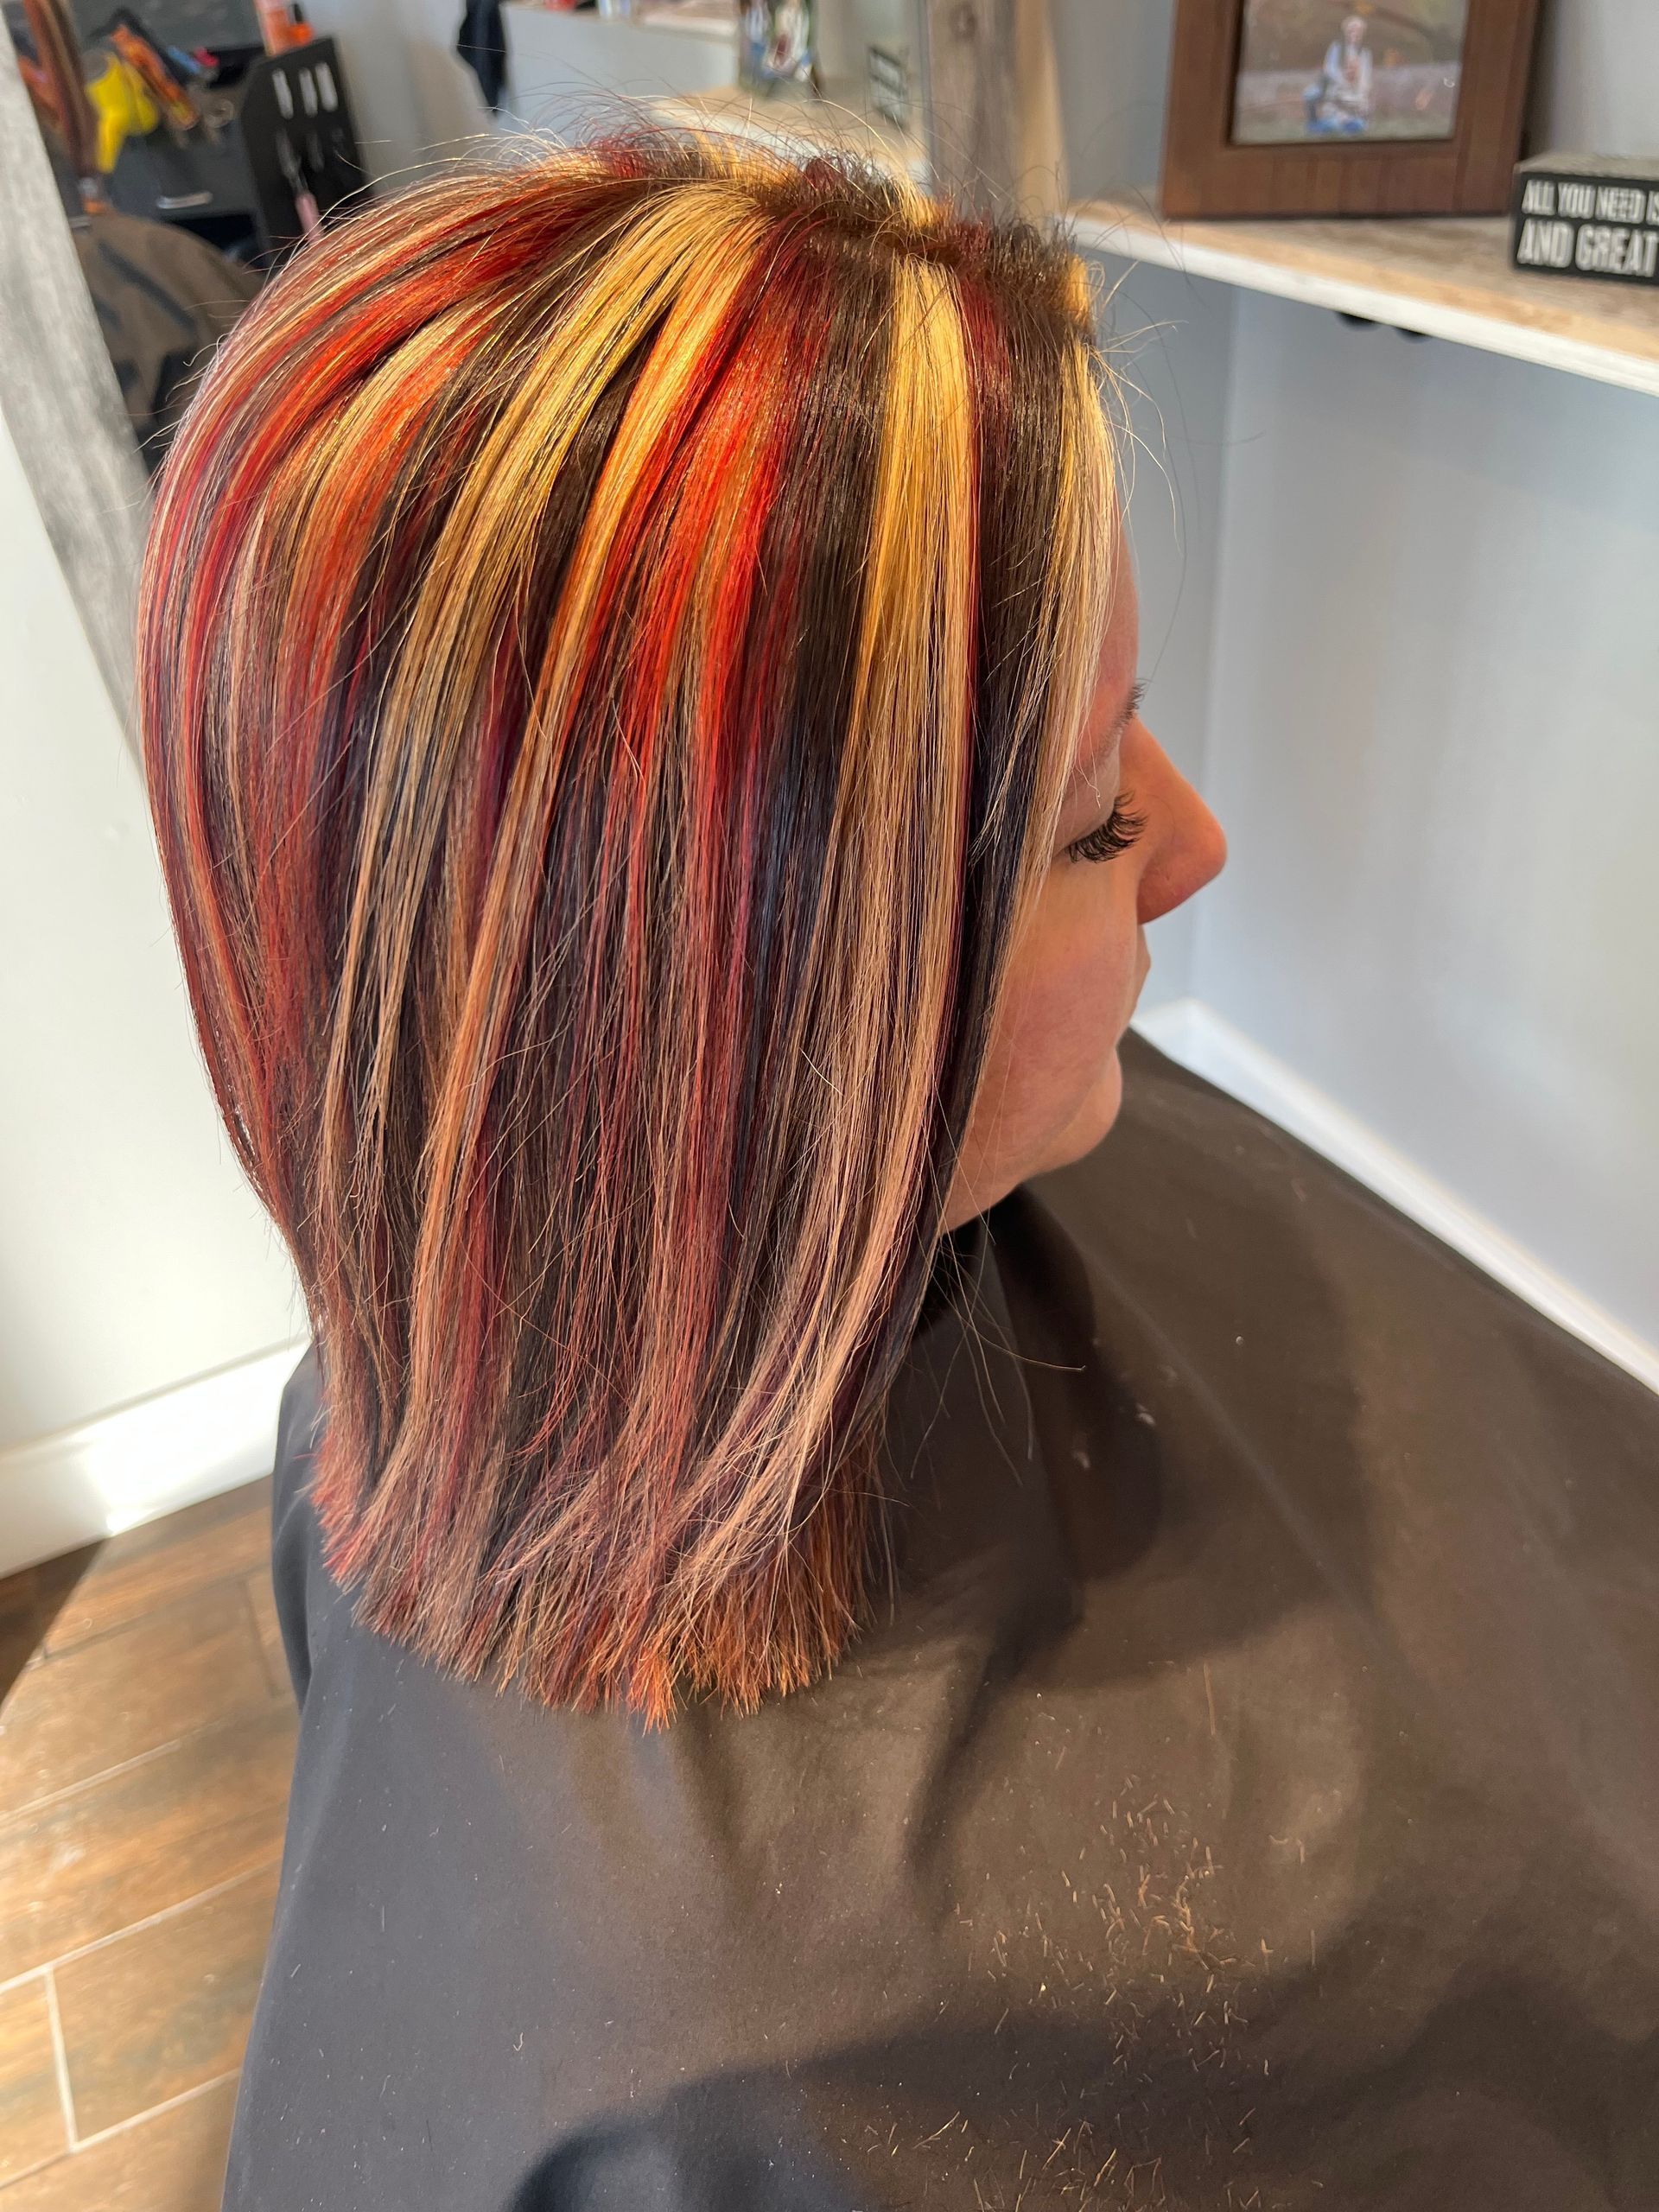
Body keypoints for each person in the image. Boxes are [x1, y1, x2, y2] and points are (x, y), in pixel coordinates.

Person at [137, 139, 1659, 2210]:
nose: (1200, 847)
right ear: (739, 1021)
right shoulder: (711, 2069)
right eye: (1100, 816)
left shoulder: (383, 1377)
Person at [1304, 14, 1373, 137]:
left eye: (1358, 31)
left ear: (1362, 33)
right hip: (1333, 86)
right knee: (1310, 95)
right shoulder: (1337, 47)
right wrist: (1342, 82)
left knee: (1357, 117)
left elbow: (1365, 77)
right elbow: (1329, 70)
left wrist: (1356, 88)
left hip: (1353, 92)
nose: (1354, 33)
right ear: (1346, 31)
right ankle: (1314, 124)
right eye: (1351, 30)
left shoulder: (1365, 53)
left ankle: (1350, 123)